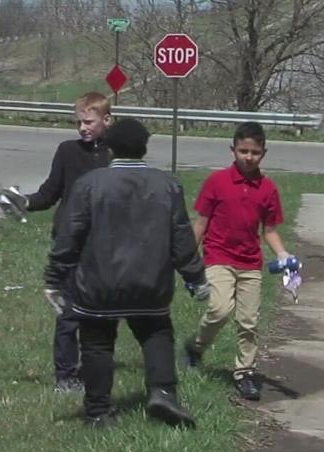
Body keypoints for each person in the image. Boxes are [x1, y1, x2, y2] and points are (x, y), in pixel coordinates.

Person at [44, 118, 208, 428]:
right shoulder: (167, 185)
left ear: (110, 148)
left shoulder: (90, 184)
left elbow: (70, 235)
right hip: (151, 284)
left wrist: (54, 278)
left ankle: (97, 412)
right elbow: (181, 238)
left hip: (98, 286)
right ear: (145, 148)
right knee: (156, 333)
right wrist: (195, 278)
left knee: (97, 344)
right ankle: (163, 391)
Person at [5, 91, 113, 394]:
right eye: (79, 122)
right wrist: (24, 201)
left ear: (107, 120)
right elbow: (50, 192)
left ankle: (96, 365)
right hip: (69, 242)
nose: (82, 128)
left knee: (101, 312)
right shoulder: (67, 151)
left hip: (103, 243)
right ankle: (65, 374)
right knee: (68, 312)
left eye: (89, 122)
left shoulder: (114, 155)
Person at [183, 121, 293, 401]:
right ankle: (195, 347)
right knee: (220, 309)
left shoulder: (267, 189)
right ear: (232, 150)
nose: (248, 157)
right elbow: (201, 223)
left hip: (250, 263)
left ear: (263, 153)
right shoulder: (216, 182)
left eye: (254, 152)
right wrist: (187, 259)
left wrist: (282, 254)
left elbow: (269, 230)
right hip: (218, 256)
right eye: (243, 150)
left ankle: (244, 373)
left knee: (248, 321)